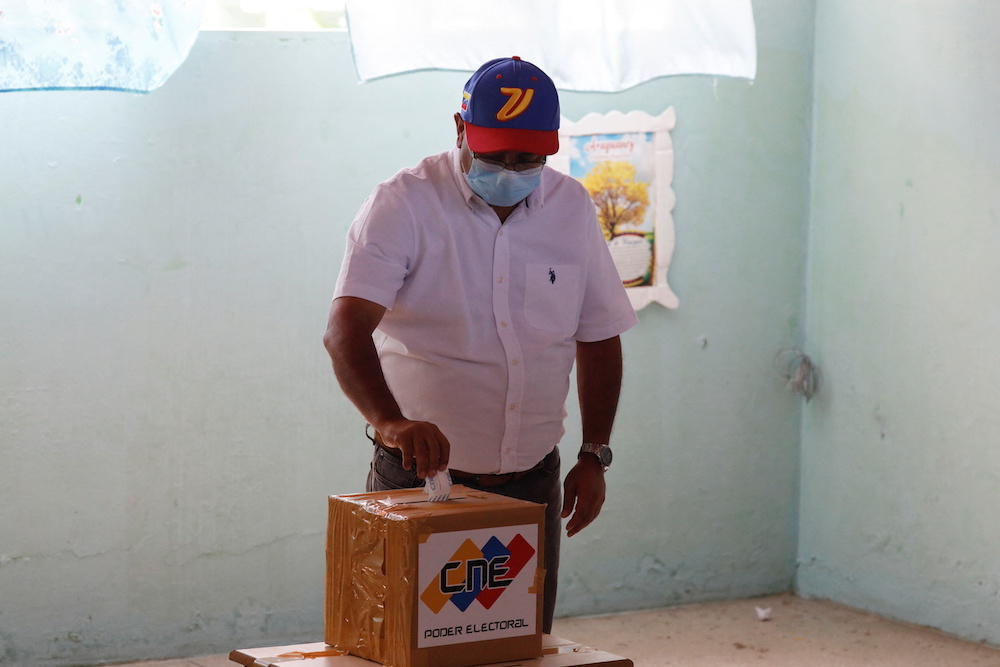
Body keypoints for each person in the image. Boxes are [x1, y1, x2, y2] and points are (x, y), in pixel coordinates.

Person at [323, 56, 637, 632]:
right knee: (404, 642)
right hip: (421, 485)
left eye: (529, 159)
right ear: (460, 128)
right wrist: (390, 422)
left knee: (512, 645)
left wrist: (595, 453)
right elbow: (344, 330)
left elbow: (599, 336)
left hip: (531, 485)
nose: (513, 171)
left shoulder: (570, 209)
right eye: (496, 156)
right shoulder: (404, 204)